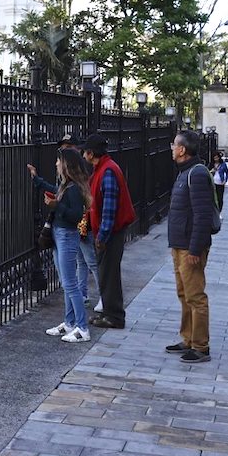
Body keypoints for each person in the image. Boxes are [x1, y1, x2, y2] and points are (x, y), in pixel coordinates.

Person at [27, 148, 92, 343]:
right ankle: (70, 322)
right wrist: (37, 179)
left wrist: (56, 206)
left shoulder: (73, 189)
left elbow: (74, 216)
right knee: (66, 283)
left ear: (66, 165)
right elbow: (55, 191)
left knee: (70, 284)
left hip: (66, 235)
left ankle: (82, 328)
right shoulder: (67, 186)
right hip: (59, 234)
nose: (56, 164)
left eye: (58, 161)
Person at [166, 129, 215, 363]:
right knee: (183, 294)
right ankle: (187, 338)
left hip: (189, 247)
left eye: (174, 145)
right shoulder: (183, 172)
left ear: (182, 149)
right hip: (179, 245)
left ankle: (200, 346)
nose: (172, 148)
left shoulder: (195, 174)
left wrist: (195, 249)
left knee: (195, 296)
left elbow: (202, 215)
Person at [83, 133, 136, 330]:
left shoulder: (107, 171)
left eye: (85, 151)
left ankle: (114, 315)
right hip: (108, 231)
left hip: (110, 233)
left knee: (109, 274)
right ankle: (108, 313)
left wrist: (102, 235)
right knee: (106, 274)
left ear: (90, 153)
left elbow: (109, 208)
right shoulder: (103, 168)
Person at [58, 134, 100, 309]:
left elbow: (81, 200)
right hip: (79, 223)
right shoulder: (69, 169)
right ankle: (83, 293)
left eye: (69, 147)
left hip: (83, 222)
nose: (65, 151)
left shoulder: (80, 170)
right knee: (81, 261)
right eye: (63, 148)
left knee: (90, 260)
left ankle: (103, 294)